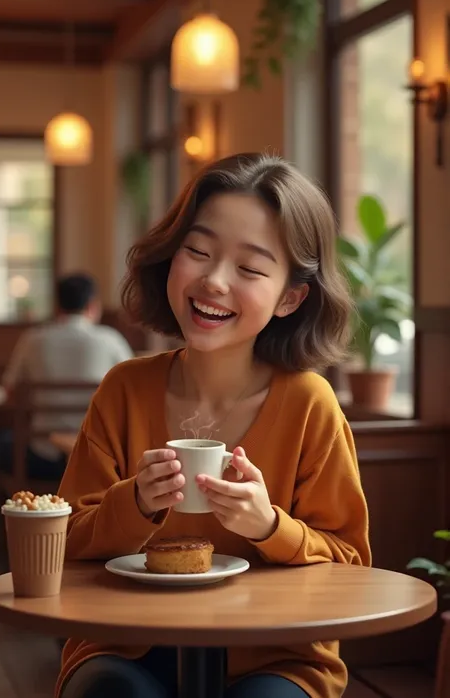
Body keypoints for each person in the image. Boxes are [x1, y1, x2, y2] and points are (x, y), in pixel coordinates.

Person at [56, 153, 371, 698]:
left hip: (275, 654)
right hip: (127, 641)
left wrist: (269, 527)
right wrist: (135, 505)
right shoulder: (123, 389)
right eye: (197, 251)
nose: (214, 281)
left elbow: (350, 563)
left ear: (291, 297)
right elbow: (63, 544)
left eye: (249, 269)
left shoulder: (309, 404)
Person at [0, 273, 133, 481]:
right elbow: (132, 393)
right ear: (93, 305)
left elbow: (10, 392)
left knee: (3, 442)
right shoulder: (111, 340)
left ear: (57, 306)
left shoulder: (32, 339)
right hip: (95, 459)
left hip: (41, 459)